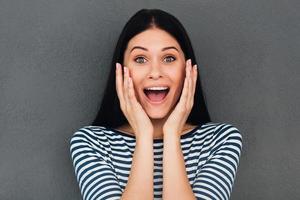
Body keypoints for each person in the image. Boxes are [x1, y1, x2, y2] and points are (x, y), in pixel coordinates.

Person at [69, 8, 243, 200]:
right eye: (140, 59)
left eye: (169, 58)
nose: (155, 72)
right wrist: (144, 135)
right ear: (121, 71)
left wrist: (171, 134)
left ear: (187, 69)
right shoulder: (91, 143)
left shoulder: (221, 140)